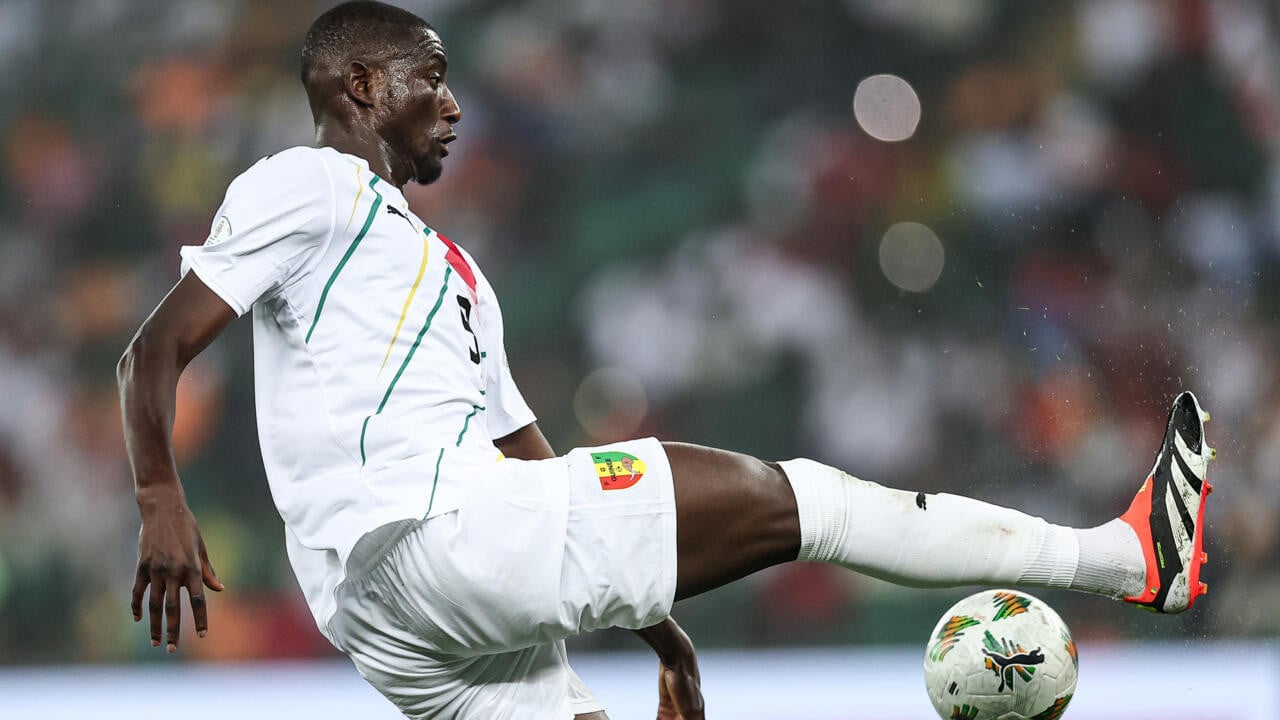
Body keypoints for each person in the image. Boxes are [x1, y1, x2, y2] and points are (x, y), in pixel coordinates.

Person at [116, 2, 1216, 718]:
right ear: (359, 89)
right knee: (809, 503)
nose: (452, 104)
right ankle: (1126, 561)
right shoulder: (308, 186)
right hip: (434, 536)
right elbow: (153, 349)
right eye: (427, 79)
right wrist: (160, 494)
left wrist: (663, 635)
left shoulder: (454, 274)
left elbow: (531, 461)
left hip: (395, 617)